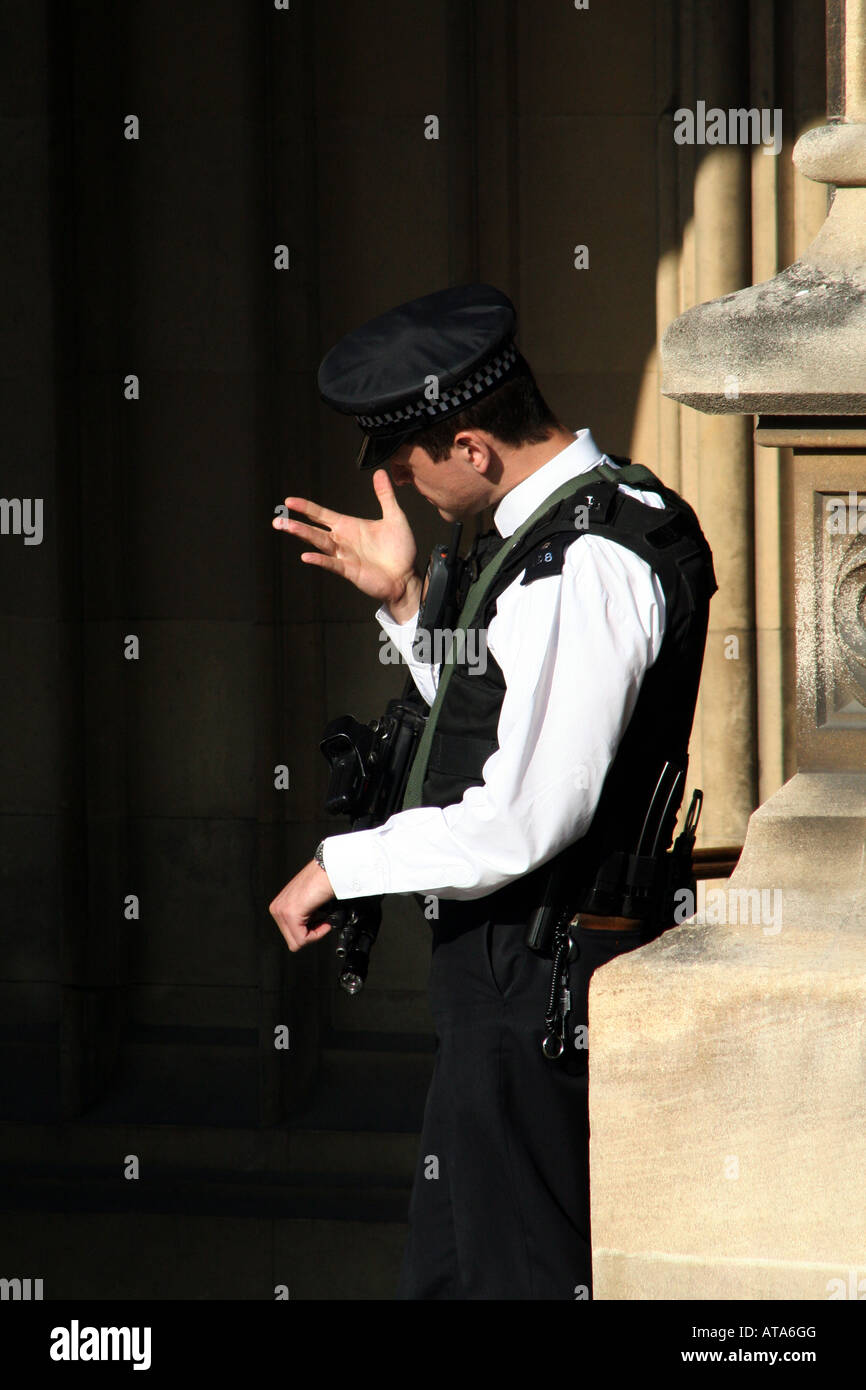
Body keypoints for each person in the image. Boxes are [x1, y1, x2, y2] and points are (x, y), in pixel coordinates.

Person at [268, 283, 717, 1300]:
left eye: (403, 459)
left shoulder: (581, 562)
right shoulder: (573, 526)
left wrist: (341, 865)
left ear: (471, 447)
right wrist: (407, 601)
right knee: (455, 1273)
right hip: (513, 981)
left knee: (514, 1276)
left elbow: (523, 818)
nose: (397, 482)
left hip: (536, 979)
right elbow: (499, 725)